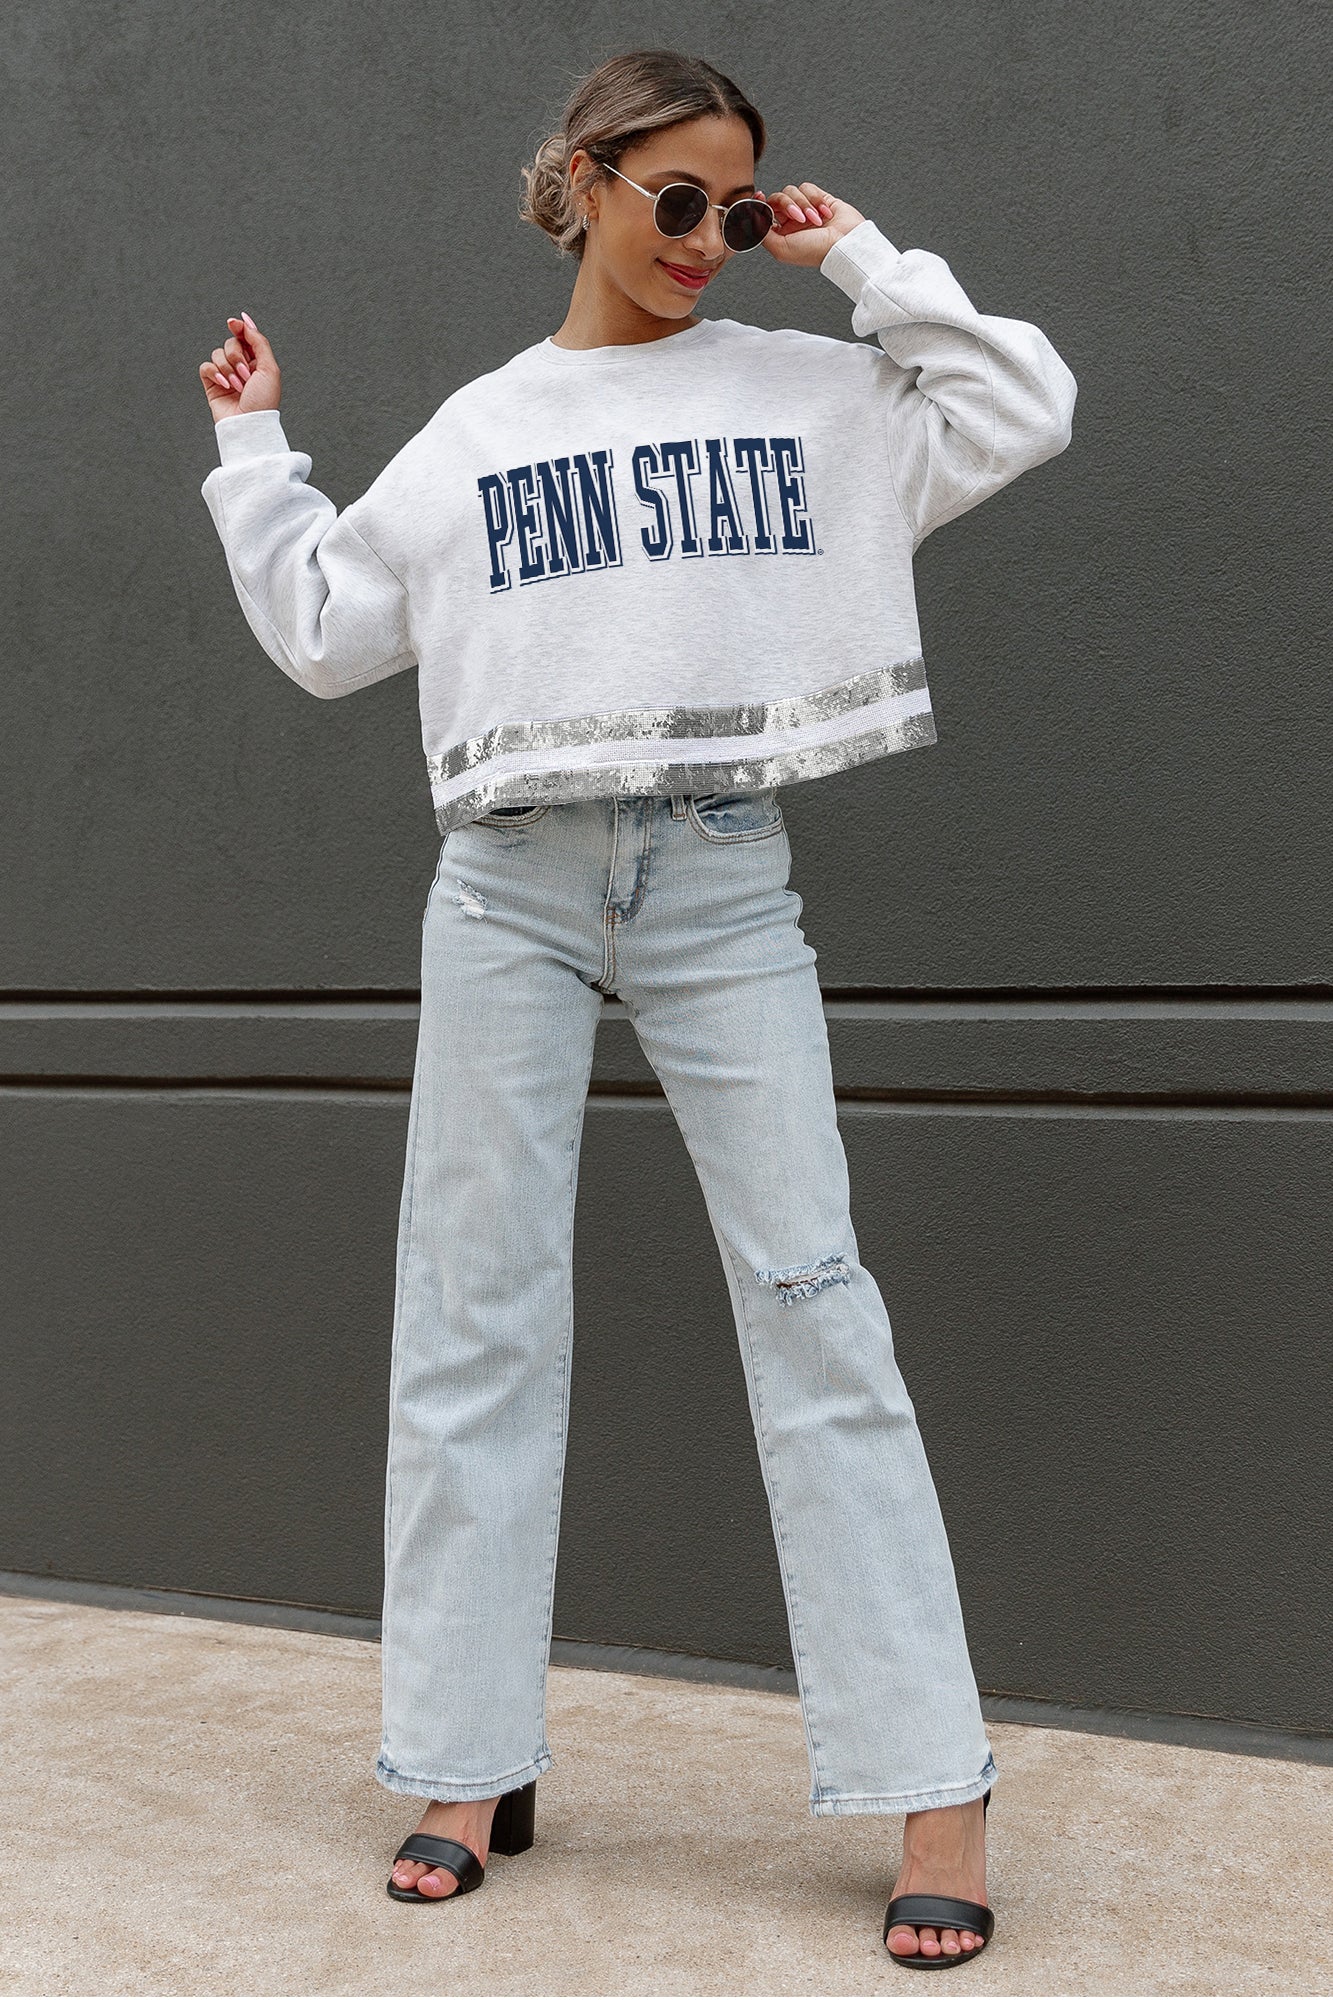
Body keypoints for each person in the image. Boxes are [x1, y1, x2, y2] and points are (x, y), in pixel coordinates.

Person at [198, 46, 1075, 1967]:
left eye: (734, 207)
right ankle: (464, 1761)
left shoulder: (808, 395)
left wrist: (858, 262)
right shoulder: (482, 429)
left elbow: (1021, 402)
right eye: (675, 198)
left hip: (716, 868)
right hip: (504, 882)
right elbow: (333, 632)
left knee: (815, 1295)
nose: (704, 240)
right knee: (472, 1310)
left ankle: (932, 1779)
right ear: (583, 182)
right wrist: (257, 455)